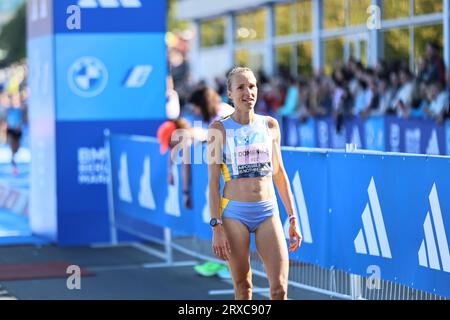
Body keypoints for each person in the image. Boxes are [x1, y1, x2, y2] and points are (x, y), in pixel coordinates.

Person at [207, 67, 302, 300]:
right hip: (234, 214)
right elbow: (212, 183)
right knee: (243, 286)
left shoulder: (270, 125)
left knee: (279, 289)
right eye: (240, 87)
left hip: (267, 212)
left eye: (252, 86)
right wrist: (216, 227)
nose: (248, 92)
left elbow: (279, 174)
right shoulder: (218, 130)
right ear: (229, 93)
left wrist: (292, 217)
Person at [157, 118, 194, 209]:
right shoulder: (180, 138)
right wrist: (170, 172)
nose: (170, 147)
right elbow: (172, 152)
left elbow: (185, 166)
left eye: (169, 143)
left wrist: (185, 193)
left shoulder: (187, 140)